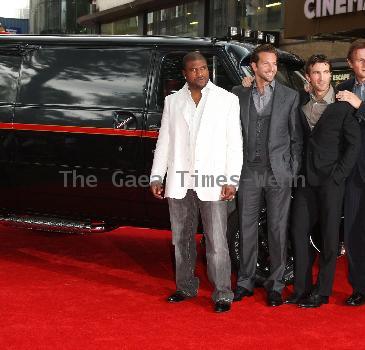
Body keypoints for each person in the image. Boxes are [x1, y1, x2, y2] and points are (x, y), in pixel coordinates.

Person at [150, 52, 243, 313]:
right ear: (184, 73)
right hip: (180, 180)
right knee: (181, 239)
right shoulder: (172, 101)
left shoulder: (227, 100)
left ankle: (223, 293)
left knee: (216, 241)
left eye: (203, 68)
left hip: (213, 180)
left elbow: (234, 143)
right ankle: (185, 286)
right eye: (193, 70)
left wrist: (231, 179)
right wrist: (157, 175)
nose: (199, 73)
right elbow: (164, 142)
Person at [285, 54, 361, 308]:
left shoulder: (342, 105)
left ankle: (323, 291)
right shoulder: (301, 103)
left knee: (329, 239)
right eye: (316, 73)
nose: (322, 77)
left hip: (331, 182)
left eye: (326, 72)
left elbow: (354, 144)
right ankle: (301, 289)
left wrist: (339, 175)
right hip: (306, 181)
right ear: (308, 77)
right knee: (298, 232)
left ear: (331, 74)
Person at [232, 44, 303, 307]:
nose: (272, 69)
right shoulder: (238, 94)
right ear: (254, 66)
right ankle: (245, 282)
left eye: (274, 64)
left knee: (276, 228)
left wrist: (291, 171)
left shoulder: (289, 96)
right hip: (249, 171)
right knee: (246, 227)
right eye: (266, 64)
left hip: (278, 173)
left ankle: (276, 285)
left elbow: (297, 139)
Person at [336, 39, 365, 307]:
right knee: (354, 234)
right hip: (353, 174)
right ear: (350, 63)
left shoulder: (353, 96)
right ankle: (359, 288)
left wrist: (360, 105)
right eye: (360, 59)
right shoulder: (342, 88)